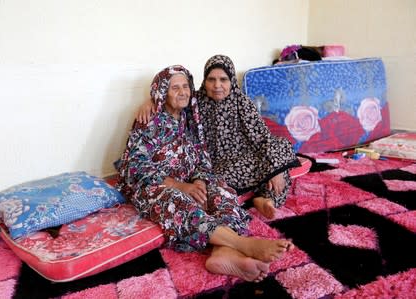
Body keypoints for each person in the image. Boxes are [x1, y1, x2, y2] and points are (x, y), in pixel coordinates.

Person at [115, 65, 293, 282]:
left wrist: (199, 179)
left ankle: (221, 254)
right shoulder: (149, 120)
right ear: (162, 92)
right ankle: (243, 244)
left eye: (185, 86)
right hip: (156, 186)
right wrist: (179, 186)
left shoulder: (190, 116)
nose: (182, 92)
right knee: (177, 202)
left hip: (188, 179)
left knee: (222, 191)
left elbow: (200, 156)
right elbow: (134, 166)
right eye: (174, 88)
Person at [136, 55, 300, 219]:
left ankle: (266, 199)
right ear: (204, 81)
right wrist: (151, 101)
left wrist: (276, 168)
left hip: (245, 158)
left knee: (281, 156)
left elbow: (264, 138)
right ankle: (260, 194)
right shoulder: (195, 101)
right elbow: (174, 97)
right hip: (215, 167)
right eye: (211, 79)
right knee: (270, 167)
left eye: (223, 79)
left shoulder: (242, 102)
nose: (217, 85)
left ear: (232, 81)